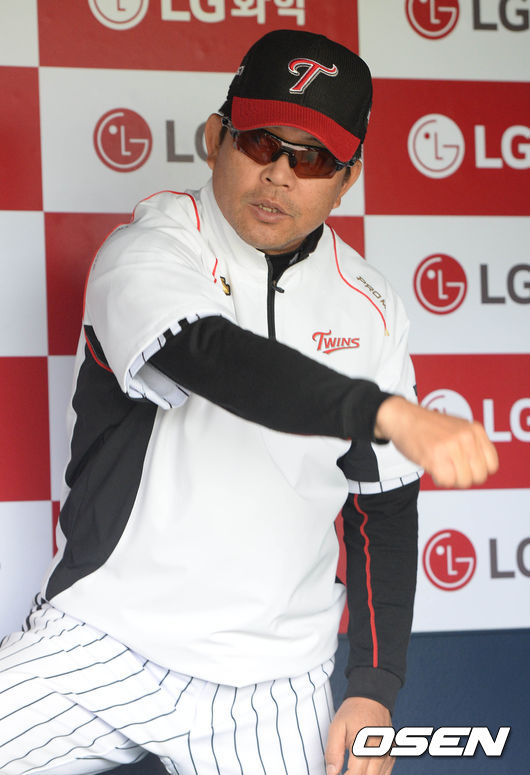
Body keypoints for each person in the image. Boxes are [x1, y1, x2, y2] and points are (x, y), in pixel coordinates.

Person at [0, 29, 497, 775]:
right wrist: (384, 411)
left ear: (348, 179)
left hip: (272, 680)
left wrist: (375, 685)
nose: (280, 175)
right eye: (262, 142)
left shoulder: (371, 306)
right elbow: (212, 357)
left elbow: (382, 511)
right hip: (105, 636)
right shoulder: (152, 246)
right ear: (215, 138)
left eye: (313, 158)